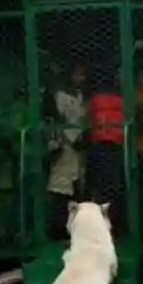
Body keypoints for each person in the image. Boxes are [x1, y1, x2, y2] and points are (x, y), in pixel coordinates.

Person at [45, 62, 88, 240]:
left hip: (78, 148)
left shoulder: (80, 96)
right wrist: (70, 137)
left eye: (83, 75)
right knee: (60, 188)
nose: (81, 79)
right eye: (77, 75)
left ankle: (74, 230)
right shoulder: (59, 96)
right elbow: (58, 120)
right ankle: (56, 231)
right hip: (64, 146)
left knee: (77, 188)